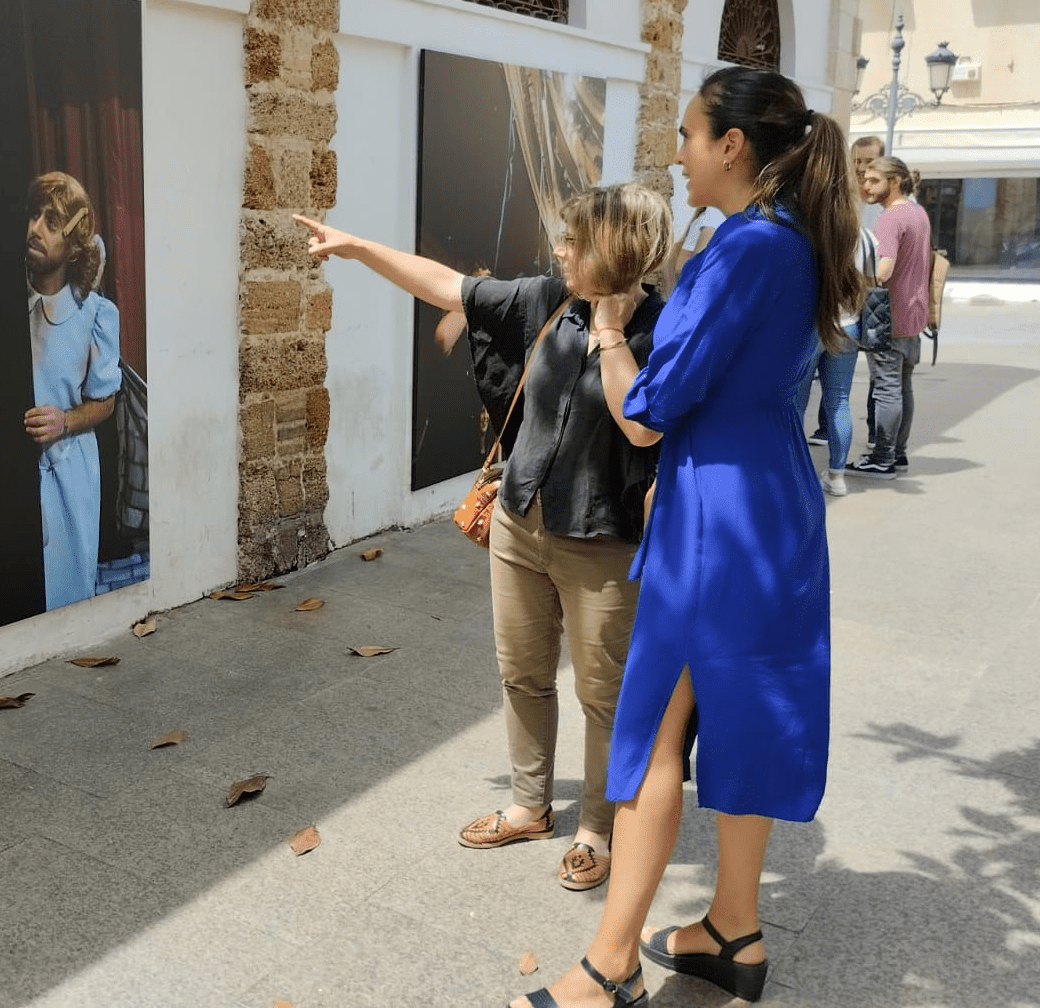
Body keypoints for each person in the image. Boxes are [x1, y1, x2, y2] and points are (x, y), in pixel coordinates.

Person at [514, 67, 860, 1008]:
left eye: (687, 134)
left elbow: (645, 417)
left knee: (655, 731)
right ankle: (732, 931)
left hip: (714, 510)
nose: (677, 152)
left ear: (732, 146)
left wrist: (611, 332)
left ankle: (609, 963)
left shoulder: (742, 248)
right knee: (744, 712)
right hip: (777, 499)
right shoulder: (799, 242)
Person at [295, 183, 675, 893]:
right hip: (519, 521)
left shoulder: (664, 328)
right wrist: (356, 248)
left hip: (604, 540)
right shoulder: (544, 300)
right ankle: (530, 806)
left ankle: (597, 828)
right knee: (522, 674)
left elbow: (643, 426)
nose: (560, 249)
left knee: (605, 694)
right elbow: (450, 287)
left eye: (575, 239)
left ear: (615, 248)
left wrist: (613, 333)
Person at [25, 171, 121, 610]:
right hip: (18, 470)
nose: (35, 228)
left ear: (73, 241)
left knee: (67, 592)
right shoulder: (10, 305)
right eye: (32, 215)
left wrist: (65, 421)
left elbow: (106, 402)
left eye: (50, 221)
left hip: (70, 469)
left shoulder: (95, 315)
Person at [847, 155, 931, 479]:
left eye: (872, 180)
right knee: (903, 386)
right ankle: (898, 454)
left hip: (888, 314)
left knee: (886, 387)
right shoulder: (918, 213)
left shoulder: (890, 218)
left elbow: (883, 270)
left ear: (893, 182)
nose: (865, 186)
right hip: (913, 313)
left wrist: (853, 277)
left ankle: (882, 457)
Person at [809, 133, 885, 449]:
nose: (861, 168)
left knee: (848, 389)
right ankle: (829, 439)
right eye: (857, 161)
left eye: (869, 162)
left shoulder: (882, 207)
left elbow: (879, 268)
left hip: (850, 309)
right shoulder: (844, 197)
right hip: (845, 312)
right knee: (837, 392)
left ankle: (876, 442)